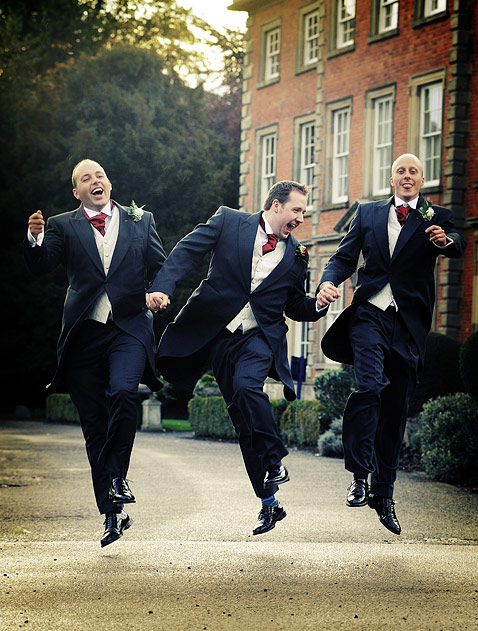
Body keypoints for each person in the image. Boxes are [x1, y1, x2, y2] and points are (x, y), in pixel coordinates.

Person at [146, 181, 325, 535]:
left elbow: (294, 304)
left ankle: (275, 459)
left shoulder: (298, 255)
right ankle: (269, 504)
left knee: (247, 387)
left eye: (304, 212)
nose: (301, 218)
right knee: (243, 424)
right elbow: (186, 251)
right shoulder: (229, 221)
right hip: (220, 335)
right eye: (297, 210)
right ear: (276, 206)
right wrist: (162, 286)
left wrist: (317, 304)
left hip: (261, 336)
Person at [316, 153, 466, 535]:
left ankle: (384, 493)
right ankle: (359, 477)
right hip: (369, 313)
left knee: (395, 407)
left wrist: (444, 241)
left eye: (414, 171)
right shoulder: (367, 214)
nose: (407, 176)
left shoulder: (437, 217)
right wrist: (328, 281)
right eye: (401, 170)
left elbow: (457, 243)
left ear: (422, 179)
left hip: (408, 324)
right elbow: (343, 258)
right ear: (392, 178)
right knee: (369, 387)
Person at [24, 159, 166, 547]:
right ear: (77, 192)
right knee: (94, 429)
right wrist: (35, 238)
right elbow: (41, 265)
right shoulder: (61, 225)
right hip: (84, 334)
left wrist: (159, 291)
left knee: (123, 392)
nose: (95, 181)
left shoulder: (141, 220)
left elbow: (162, 265)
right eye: (86, 178)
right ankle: (112, 515)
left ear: (108, 182)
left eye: (99, 175)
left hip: (130, 328)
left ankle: (117, 477)